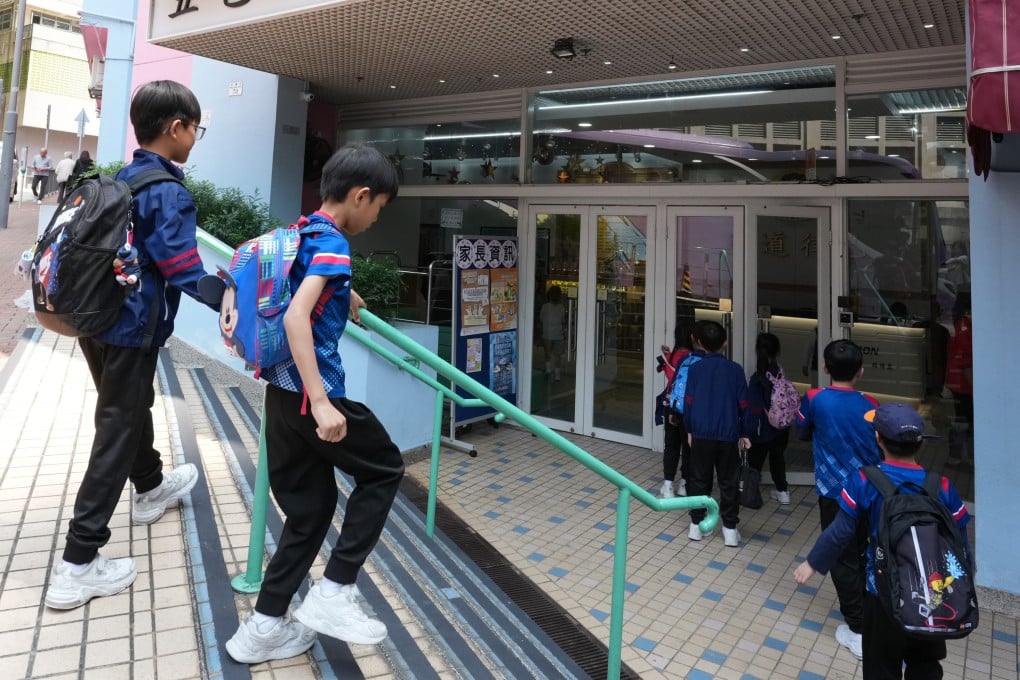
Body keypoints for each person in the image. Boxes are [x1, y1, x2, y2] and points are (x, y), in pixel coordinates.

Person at [225, 144, 405, 664]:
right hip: (313, 397)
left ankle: (261, 628)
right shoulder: (336, 246)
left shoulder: (302, 231)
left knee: (311, 513)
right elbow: (295, 316)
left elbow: (296, 288)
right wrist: (324, 403)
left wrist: (343, 295)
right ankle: (335, 590)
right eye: (379, 207)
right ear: (361, 195)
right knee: (385, 468)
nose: (376, 217)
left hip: (280, 399)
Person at [43, 80, 215, 610]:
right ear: (176, 128)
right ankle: (78, 563)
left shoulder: (123, 177)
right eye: (196, 129)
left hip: (95, 321)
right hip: (130, 327)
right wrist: (229, 295)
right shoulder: (167, 190)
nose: (195, 138)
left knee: (128, 408)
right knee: (116, 429)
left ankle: (150, 486)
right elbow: (181, 264)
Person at [794, 402, 970, 679]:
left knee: (880, 667)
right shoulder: (942, 485)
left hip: (882, 593)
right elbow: (959, 541)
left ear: (877, 438)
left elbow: (841, 530)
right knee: (925, 665)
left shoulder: (865, 480)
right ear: (920, 443)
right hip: (931, 595)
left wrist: (812, 563)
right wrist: (962, 584)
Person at [795, 339, 881, 660]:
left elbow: (800, 431)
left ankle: (858, 630)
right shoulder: (871, 404)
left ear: (825, 368)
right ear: (860, 371)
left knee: (841, 557)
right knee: (863, 551)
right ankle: (867, 613)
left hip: (834, 493)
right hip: (868, 491)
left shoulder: (815, 399)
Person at [681, 319, 752, 547]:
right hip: (728, 434)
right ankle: (730, 529)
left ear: (699, 343)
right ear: (725, 343)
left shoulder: (695, 369)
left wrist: (690, 429)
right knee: (728, 481)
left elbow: (688, 403)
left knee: (699, 478)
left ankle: (696, 526)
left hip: (701, 432)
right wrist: (745, 432)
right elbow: (744, 405)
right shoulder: (735, 370)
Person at [746, 332, 791, 504]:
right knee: (778, 458)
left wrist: (746, 430)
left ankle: (751, 493)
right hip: (781, 426)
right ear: (776, 351)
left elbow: (752, 407)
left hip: (761, 428)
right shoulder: (780, 373)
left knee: (754, 463)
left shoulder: (757, 378)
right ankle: (783, 491)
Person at [659, 324, 692, 498]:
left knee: (671, 445)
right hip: (688, 408)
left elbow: (671, 376)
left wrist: (666, 355)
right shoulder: (693, 358)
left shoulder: (673, 357)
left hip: (671, 405)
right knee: (688, 448)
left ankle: (668, 485)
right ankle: (685, 484)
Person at [945, 291, 973, 467]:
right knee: (965, 421)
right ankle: (963, 458)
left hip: (958, 382)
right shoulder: (965, 328)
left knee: (962, 420)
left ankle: (959, 457)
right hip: (964, 384)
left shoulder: (961, 325)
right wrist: (975, 388)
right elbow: (965, 362)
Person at [539, 284, 565, 381]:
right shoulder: (561, 308)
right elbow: (562, 320)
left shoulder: (545, 307)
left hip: (547, 333)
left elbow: (541, 319)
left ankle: (548, 370)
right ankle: (557, 375)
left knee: (547, 353)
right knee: (557, 355)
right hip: (558, 334)